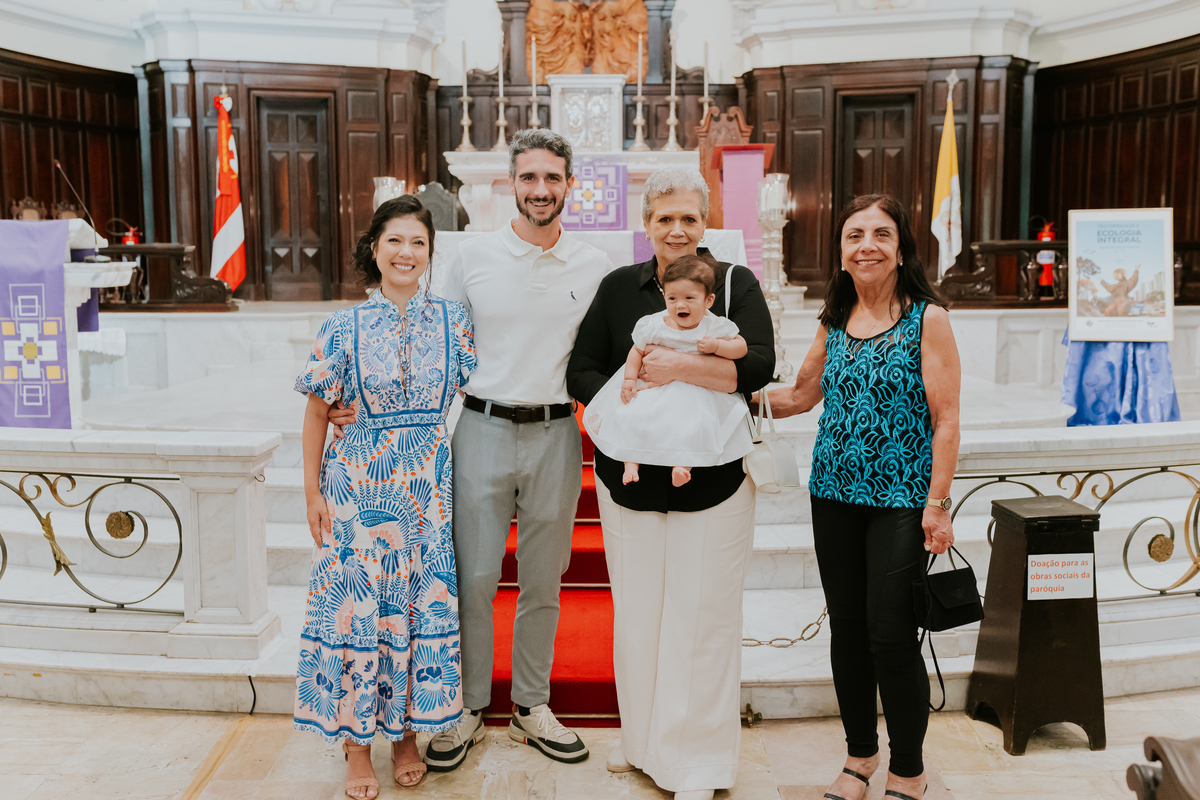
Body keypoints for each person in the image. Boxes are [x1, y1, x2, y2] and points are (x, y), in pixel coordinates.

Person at [566, 165, 774, 800]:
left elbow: (760, 365)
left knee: (702, 620)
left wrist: (680, 368)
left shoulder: (734, 285)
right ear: (647, 225)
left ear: (704, 222)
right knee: (639, 617)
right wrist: (630, 414)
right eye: (664, 219)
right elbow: (583, 368)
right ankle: (643, 746)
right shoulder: (619, 288)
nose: (677, 230)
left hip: (712, 483)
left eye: (689, 217)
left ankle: (701, 767)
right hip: (628, 481)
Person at [760, 194, 961, 800]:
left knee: (890, 633)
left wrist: (938, 503)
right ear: (841, 248)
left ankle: (909, 767)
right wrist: (717, 388)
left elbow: (947, 419)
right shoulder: (833, 316)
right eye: (854, 235)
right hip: (835, 494)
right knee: (846, 629)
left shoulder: (927, 318)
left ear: (901, 247)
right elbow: (798, 396)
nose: (866, 244)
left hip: (901, 498)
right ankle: (859, 757)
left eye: (880, 233)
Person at [427, 128, 612, 770]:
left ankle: (532, 706)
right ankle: (469, 707)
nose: (540, 190)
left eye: (552, 178)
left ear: (569, 184)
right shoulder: (470, 260)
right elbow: (436, 352)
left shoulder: (593, 266)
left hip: (558, 432)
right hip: (479, 428)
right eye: (528, 177)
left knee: (544, 577)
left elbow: (616, 352)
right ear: (511, 183)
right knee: (475, 576)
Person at [293, 196, 475, 799]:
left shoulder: (454, 321)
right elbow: (318, 412)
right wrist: (313, 491)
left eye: (418, 242)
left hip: (425, 492)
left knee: (415, 611)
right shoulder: (342, 327)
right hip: (356, 489)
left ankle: (406, 739)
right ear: (375, 248)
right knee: (356, 611)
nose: (407, 253)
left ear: (430, 253)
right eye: (395, 240)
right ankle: (356, 748)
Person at [582, 253, 753, 488]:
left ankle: (682, 466)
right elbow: (636, 351)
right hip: (653, 388)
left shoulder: (714, 325)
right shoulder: (654, 325)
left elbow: (741, 347)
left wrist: (718, 346)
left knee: (696, 424)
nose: (679, 304)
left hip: (693, 392)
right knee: (632, 416)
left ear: (708, 300)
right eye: (672, 298)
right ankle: (630, 462)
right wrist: (629, 379)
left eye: (689, 298)